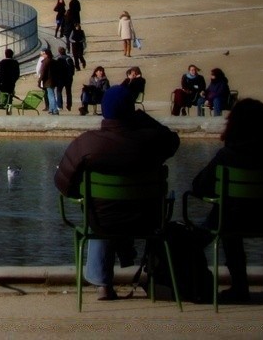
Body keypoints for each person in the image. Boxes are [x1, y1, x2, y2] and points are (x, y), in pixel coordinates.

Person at [53, 85, 180, 300]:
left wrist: (83, 194)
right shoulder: (153, 141)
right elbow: (173, 140)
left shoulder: (87, 143)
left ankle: (102, 284)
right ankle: (156, 276)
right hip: (148, 218)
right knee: (110, 211)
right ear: (132, 110)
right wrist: (143, 118)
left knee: (98, 213)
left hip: (103, 220)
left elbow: (62, 184)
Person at [190, 98, 263, 303]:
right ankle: (239, 286)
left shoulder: (227, 155)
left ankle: (229, 285)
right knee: (230, 212)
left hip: (232, 220)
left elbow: (199, 186)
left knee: (225, 217)